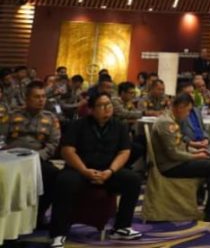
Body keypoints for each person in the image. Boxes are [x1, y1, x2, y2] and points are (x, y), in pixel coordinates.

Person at [49, 92, 142, 246]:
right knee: (63, 181)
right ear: (91, 109)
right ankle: (58, 233)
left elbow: (124, 152)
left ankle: (122, 227)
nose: (107, 108)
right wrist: (84, 170)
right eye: (101, 105)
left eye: (109, 104)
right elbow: (67, 151)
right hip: (80, 170)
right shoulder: (78, 125)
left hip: (107, 171)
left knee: (133, 180)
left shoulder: (119, 126)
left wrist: (110, 171)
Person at [151, 93, 210, 221]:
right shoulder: (166, 123)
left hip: (176, 161)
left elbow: (180, 145)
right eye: (188, 111)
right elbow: (173, 154)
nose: (188, 115)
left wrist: (197, 151)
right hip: (171, 166)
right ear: (181, 107)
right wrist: (196, 156)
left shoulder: (170, 119)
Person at [6, 82, 61, 228]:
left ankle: (38, 216)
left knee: (55, 175)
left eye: (43, 96)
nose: (41, 100)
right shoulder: (12, 115)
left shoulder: (50, 118)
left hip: (36, 158)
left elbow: (53, 143)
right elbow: (2, 137)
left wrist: (38, 156)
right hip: (10, 158)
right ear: (27, 98)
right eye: (37, 97)